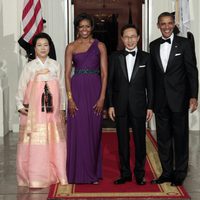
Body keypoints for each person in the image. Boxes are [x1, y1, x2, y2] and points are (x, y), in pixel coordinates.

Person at [150, 12, 199, 186]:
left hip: (179, 98)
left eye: (169, 23)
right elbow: (154, 75)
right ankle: (166, 172)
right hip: (160, 101)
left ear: (174, 24)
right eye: (163, 24)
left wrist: (193, 96)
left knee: (180, 137)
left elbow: (192, 71)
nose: (166, 27)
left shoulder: (184, 44)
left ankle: (180, 173)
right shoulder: (153, 45)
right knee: (163, 139)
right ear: (158, 25)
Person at [16, 32, 68, 188]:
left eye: (46, 45)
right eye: (39, 45)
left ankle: (55, 173)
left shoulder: (55, 65)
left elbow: (61, 87)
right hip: (35, 114)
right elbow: (21, 88)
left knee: (54, 142)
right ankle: (35, 176)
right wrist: (20, 106)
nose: (43, 48)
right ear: (34, 48)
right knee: (35, 144)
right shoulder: (30, 67)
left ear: (50, 47)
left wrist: (63, 108)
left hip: (52, 113)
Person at [107, 24, 154, 185]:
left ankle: (139, 174)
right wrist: (110, 105)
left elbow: (151, 85)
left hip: (140, 106)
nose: (130, 40)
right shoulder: (114, 56)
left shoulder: (146, 58)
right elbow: (109, 84)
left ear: (138, 38)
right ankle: (125, 173)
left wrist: (150, 106)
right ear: (122, 39)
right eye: (126, 37)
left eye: (133, 36)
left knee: (140, 142)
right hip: (119, 106)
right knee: (122, 142)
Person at [65, 13, 108, 184]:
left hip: (95, 89)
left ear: (92, 28)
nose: (84, 29)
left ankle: (92, 173)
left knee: (93, 132)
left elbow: (105, 74)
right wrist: (70, 99)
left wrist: (102, 97)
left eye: (87, 26)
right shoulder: (71, 47)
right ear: (77, 28)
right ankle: (76, 173)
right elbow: (67, 75)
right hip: (76, 90)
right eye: (81, 26)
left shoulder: (100, 46)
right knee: (78, 132)